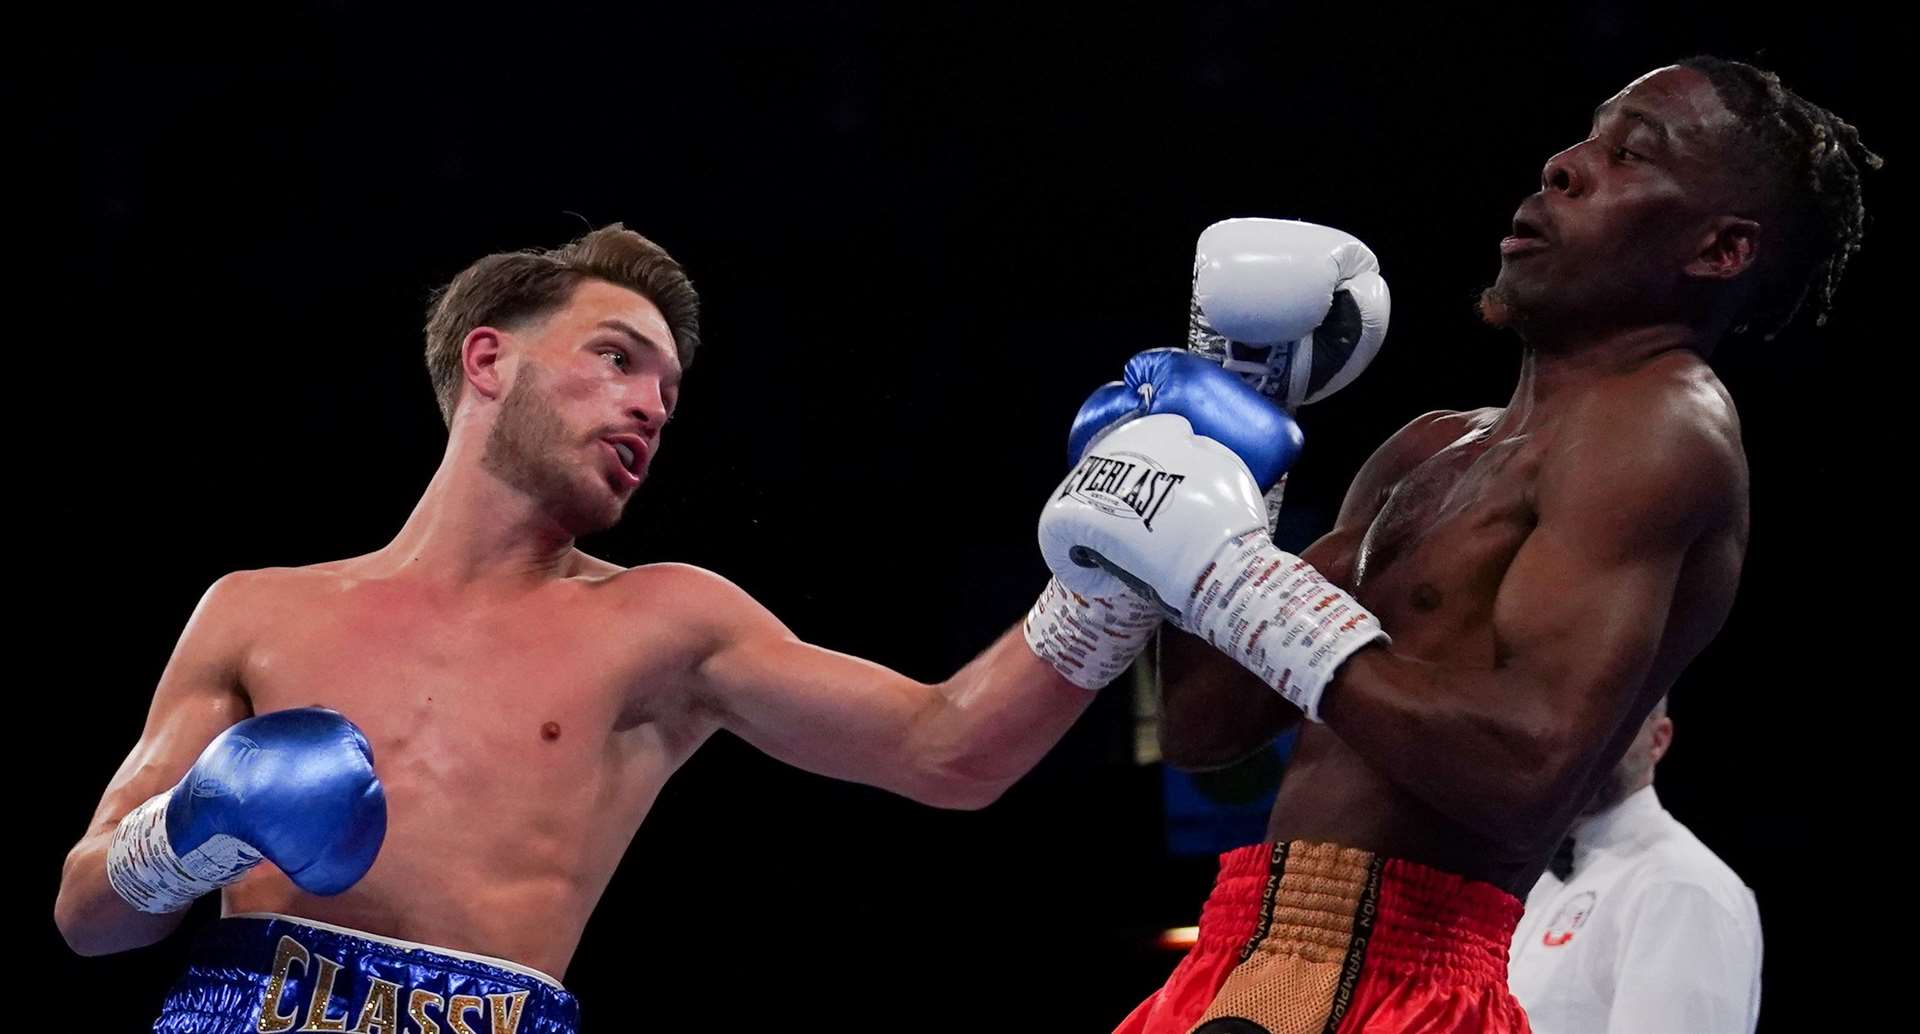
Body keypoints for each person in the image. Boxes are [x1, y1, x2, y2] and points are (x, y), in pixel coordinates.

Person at [56, 224, 1240, 1032]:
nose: (647, 407)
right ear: (488, 361)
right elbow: (87, 912)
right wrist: (201, 826)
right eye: (617, 359)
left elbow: (948, 750)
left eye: (667, 393)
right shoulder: (256, 607)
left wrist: (1107, 576)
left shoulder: (663, 618)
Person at [1039, 56, 1876, 1033]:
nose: (1564, 164)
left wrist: (1232, 574)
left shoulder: (1666, 423)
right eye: (1588, 135)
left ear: (1720, 248)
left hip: (1414, 978)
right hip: (1233, 956)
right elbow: (1204, 723)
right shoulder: (1429, 450)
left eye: (1629, 153)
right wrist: (1235, 436)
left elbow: (1524, 774)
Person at [1509, 695, 1764, 1033]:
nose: (1579, 741)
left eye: (1607, 721)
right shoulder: (1535, 877)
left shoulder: (1683, 887)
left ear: (1657, 740)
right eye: (1564, 720)